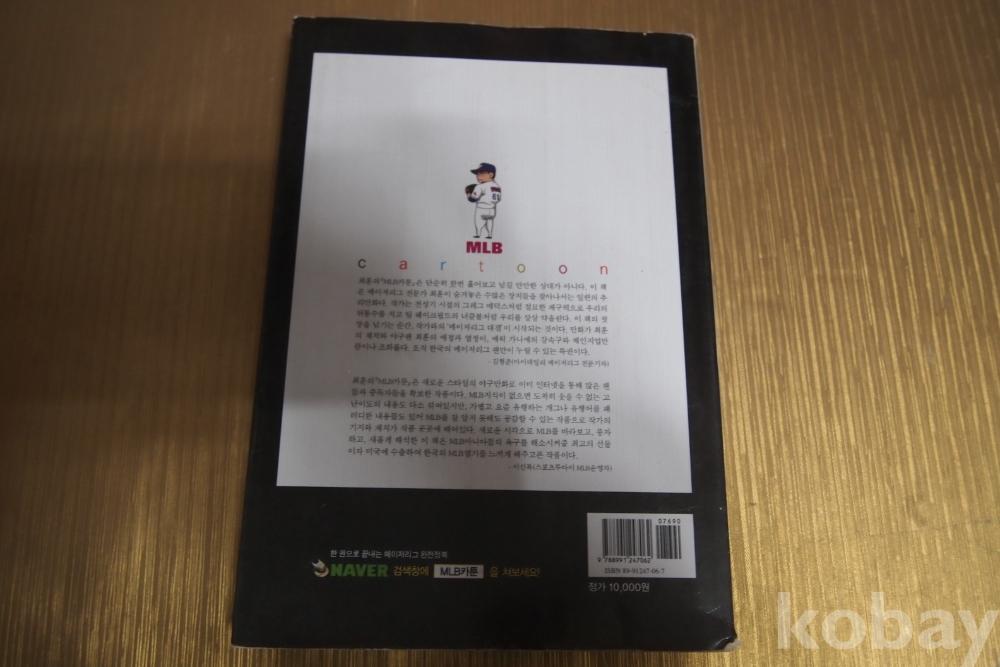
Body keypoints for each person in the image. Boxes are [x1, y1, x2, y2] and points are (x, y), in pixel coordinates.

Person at [466, 162, 501, 239]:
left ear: (490, 174)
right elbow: (498, 199)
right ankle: (489, 235)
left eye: (481, 174)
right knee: (490, 222)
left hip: (481, 209)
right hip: (492, 210)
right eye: (477, 175)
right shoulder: (497, 186)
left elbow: (472, 199)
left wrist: (469, 195)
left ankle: (478, 235)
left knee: (479, 223)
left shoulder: (480, 186)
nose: (478, 176)